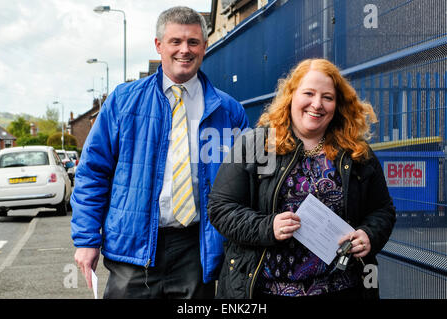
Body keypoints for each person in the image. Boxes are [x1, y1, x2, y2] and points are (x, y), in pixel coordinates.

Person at [71, 6, 249, 299]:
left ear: (205, 47)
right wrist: (87, 239)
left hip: (197, 250)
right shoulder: (123, 102)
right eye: (175, 41)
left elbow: (246, 183)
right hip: (133, 249)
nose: (185, 50)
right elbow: (93, 173)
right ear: (159, 46)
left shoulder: (229, 111)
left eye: (193, 42)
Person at [207, 58, 396, 299]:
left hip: (341, 288)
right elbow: (220, 208)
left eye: (327, 97)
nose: (317, 104)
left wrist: (369, 234)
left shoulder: (356, 152)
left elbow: (382, 209)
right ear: (291, 95)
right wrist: (268, 227)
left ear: (337, 104)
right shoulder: (256, 144)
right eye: (309, 93)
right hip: (265, 289)